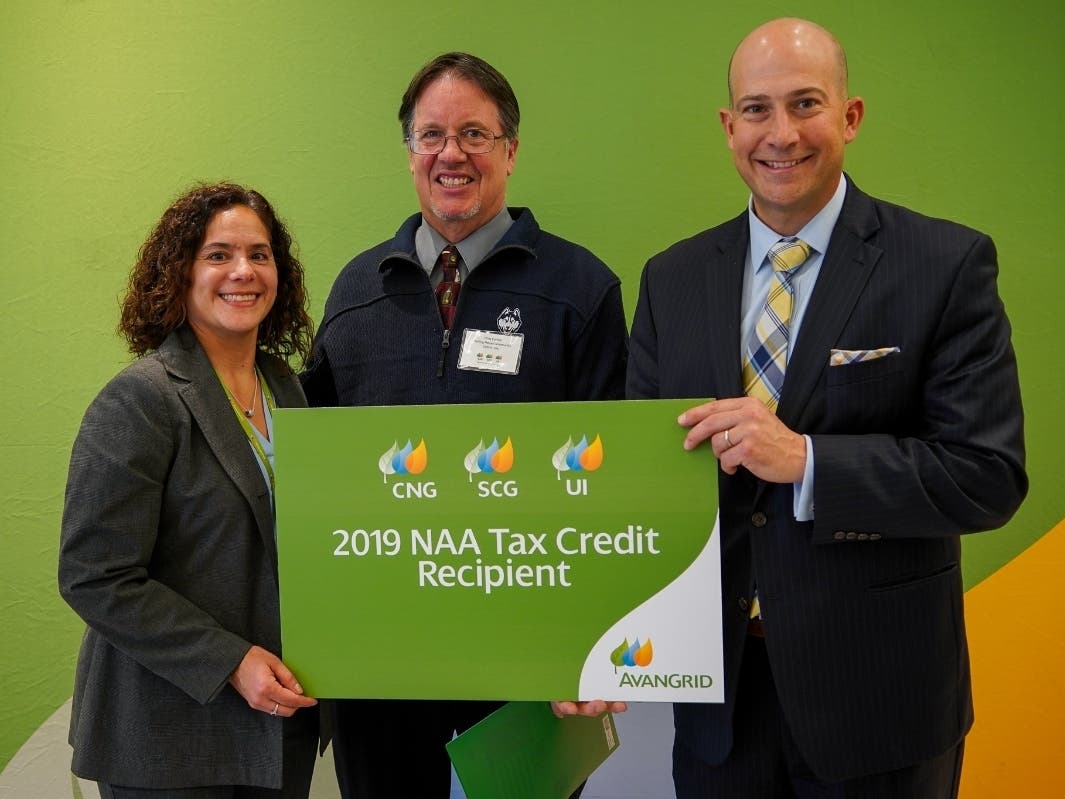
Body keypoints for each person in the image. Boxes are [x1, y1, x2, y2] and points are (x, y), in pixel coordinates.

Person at [627, 18, 1027, 799]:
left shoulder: (944, 264)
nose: (780, 134)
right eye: (755, 109)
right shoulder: (670, 279)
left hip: (879, 705)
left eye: (805, 103)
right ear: (726, 126)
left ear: (849, 116)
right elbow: (643, 485)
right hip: (718, 710)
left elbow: (986, 474)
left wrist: (806, 460)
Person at [302, 52, 628, 797]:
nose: (452, 153)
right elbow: (316, 474)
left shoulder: (580, 288)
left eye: (475, 133)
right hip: (382, 659)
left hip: (531, 660)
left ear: (510, 150)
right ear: (410, 152)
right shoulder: (356, 289)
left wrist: (595, 649)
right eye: (432, 134)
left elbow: (620, 486)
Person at [59, 182, 320, 798]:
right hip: (168, 737)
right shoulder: (141, 400)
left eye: (260, 255)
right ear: (178, 274)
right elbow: (94, 574)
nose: (243, 271)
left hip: (278, 727)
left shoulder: (287, 390)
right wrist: (230, 660)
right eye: (218, 254)